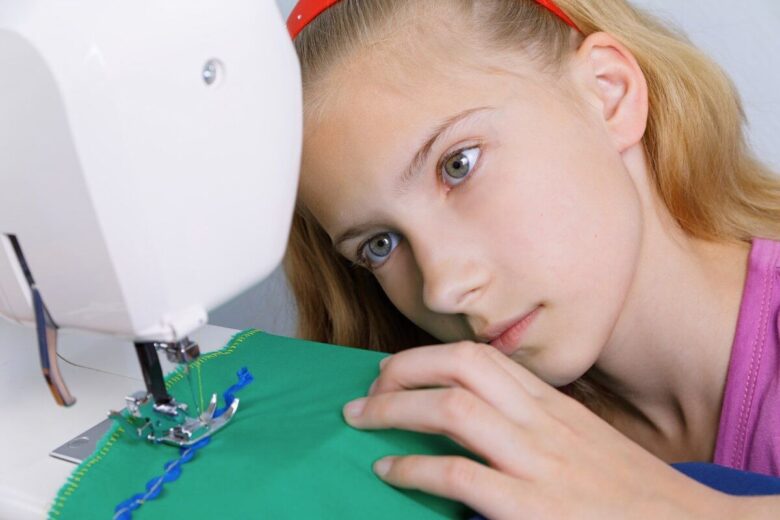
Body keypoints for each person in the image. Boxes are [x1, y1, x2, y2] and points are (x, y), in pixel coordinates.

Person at [282, 0, 780, 517]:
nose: (443, 289)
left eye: (458, 165)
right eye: (380, 244)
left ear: (608, 93)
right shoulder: (468, 446)